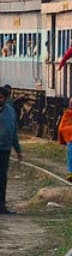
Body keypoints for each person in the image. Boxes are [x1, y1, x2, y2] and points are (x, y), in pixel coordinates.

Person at [0, 86, 23, 214]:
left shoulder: (10, 111)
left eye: (2, 97)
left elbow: (13, 132)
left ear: (6, 98)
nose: (0, 100)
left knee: (2, 178)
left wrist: (18, 150)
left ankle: (2, 206)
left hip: (5, 149)